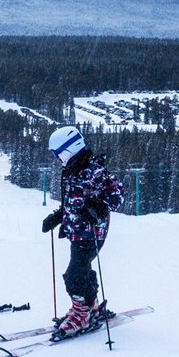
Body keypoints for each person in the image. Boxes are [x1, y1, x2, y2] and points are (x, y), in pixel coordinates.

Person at [41, 126, 125, 337]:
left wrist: (98, 206)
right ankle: (91, 306)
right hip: (77, 231)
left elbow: (118, 194)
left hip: (92, 233)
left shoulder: (94, 171)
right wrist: (58, 216)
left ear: (70, 150)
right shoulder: (72, 171)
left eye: (58, 154)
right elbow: (73, 202)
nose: (57, 159)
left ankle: (81, 314)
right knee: (82, 270)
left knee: (74, 275)